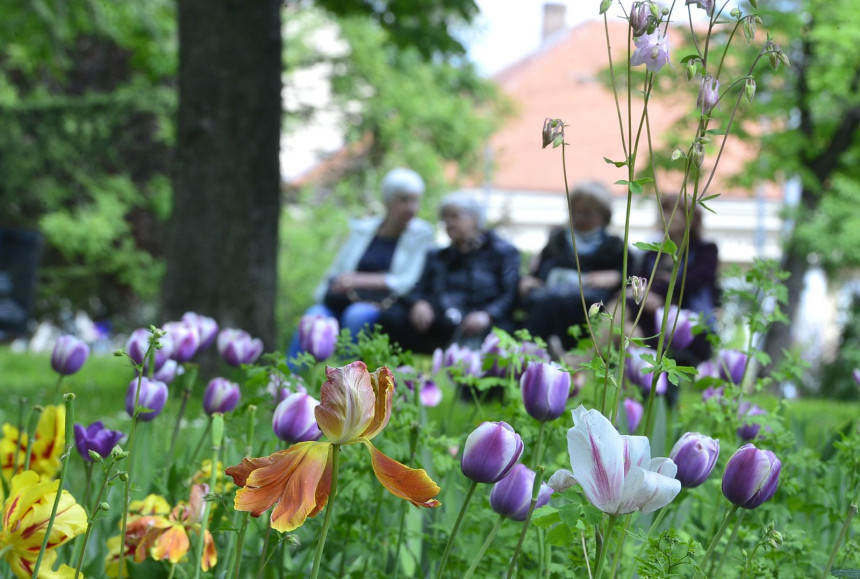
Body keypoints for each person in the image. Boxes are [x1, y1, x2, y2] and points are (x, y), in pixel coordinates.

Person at [287, 168, 435, 363]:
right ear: (388, 201)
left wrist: (359, 280)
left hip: (384, 304)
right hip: (344, 298)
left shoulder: (422, 235)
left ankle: (346, 382)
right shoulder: (363, 229)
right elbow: (339, 268)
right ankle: (289, 382)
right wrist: (329, 290)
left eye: (415, 201)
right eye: (404, 200)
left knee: (356, 316)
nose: (412, 207)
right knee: (313, 317)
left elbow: (408, 280)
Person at [380, 193, 521, 353]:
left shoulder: (502, 252)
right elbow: (418, 287)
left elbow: (510, 293)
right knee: (394, 316)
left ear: (475, 219)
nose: (449, 223)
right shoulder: (438, 256)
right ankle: (396, 370)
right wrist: (419, 302)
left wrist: (488, 315)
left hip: (484, 319)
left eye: (455, 216)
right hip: (442, 319)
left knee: (501, 331)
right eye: (445, 218)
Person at [520, 181, 625, 349]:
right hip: (550, 296)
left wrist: (616, 276)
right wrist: (528, 280)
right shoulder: (558, 239)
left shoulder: (615, 246)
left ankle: (558, 356)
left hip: (587, 303)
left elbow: (630, 278)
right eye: (576, 212)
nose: (580, 218)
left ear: (603, 215)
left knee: (561, 305)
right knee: (544, 302)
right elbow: (538, 272)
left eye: (587, 213)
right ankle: (535, 354)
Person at [630, 193, 720, 367]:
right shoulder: (652, 252)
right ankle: (637, 373)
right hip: (649, 313)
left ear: (691, 219)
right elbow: (637, 281)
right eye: (663, 212)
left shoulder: (705, 250)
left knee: (629, 316)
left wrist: (655, 291)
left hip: (687, 321)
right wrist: (644, 296)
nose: (666, 217)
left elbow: (692, 282)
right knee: (626, 307)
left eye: (673, 212)